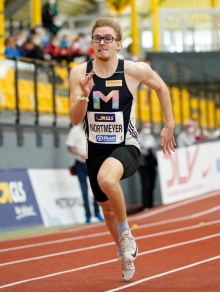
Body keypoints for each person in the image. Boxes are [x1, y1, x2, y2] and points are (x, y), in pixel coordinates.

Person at [68, 17, 175, 282]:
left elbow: (161, 87)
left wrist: (169, 124)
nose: (101, 43)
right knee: (106, 210)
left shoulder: (133, 70)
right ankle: (123, 253)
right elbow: (73, 118)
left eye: (107, 38)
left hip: (127, 145)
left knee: (107, 179)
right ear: (91, 43)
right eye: (97, 38)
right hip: (96, 150)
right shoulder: (79, 73)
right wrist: (84, 94)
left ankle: (127, 235)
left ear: (118, 44)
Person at [65, 123, 104, 224]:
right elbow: (69, 147)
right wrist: (79, 154)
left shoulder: (94, 129)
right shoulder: (75, 131)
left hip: (93, 163)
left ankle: (97, 212)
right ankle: (87, 215)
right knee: (84, 191)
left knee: (97, 189)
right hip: (81, 164)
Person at [138, 122, 158, 210]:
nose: (147, 129)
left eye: (149, 127)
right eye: (146, 127)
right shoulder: (138, 137)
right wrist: (142, 152)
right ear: (142, 127)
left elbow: (155, 147)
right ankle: (145, 205)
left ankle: (150, 203)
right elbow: (135, 148)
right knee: (145, 184)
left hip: (151, 163)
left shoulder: (151, 137)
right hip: (142, 164)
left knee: (152, 184)